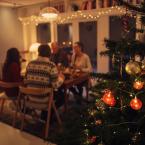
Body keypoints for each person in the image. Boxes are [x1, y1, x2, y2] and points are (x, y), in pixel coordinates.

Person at [24, 44, 65, 120]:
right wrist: (62, 78)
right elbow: (55, 85)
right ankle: (47, 114)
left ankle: (45, 113)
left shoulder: (30, 63)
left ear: (39, 52)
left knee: (55, 92)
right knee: (63, 96)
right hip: (44, 99)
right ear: (49, 53)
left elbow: (25, 80)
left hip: (30, 97)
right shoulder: (51, 65)